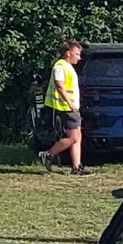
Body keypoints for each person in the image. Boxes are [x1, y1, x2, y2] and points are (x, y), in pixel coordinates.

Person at [41, 39, 84, 171]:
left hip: (72, 107)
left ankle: (77, 167)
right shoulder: (60, 66)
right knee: (73, 137)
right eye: (77, 54)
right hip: (65, 107)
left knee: (77, 136)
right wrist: (70, 103)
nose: (79, 57)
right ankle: (48, 154)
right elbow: (59, 86)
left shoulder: (68, 66)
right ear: (67, 53)